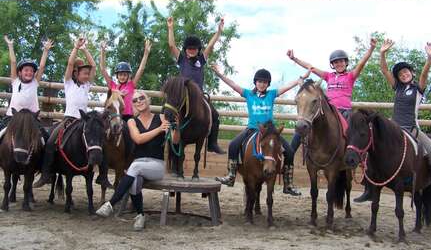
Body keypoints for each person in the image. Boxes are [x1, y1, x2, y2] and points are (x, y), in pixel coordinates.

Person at [212, 65, 310, 195]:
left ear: (268, 84)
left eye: (265, 82)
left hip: (270, 131)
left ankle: (288, 184)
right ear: (255, 82)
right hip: (252, 129)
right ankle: (231, 175)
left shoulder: (271, 94)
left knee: (290, 151)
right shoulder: (248, 94)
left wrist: (301, 78)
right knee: (233, 145)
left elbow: (287, 86)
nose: (262, 84)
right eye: (260, 81)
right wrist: (220, 74)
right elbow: (233, 84)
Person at [34, 37, 111, 189]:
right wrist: (76, 47)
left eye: (88, 73)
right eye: (84, 73)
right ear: (76, 73)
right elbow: (70, 63)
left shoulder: (87, 85)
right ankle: (46, 174)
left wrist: (85, 49)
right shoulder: (68, 83)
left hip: (84, 119)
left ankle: (103, 176)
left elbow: (94, 65)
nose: (87, 75)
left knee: (101, 142)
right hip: (68, 120)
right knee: (50, 143)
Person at [286, 39, 377, 168]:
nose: (339, 64)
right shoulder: (328, 76)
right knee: (304, 126)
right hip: (329, 110)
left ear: (346, 63)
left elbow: (361, 64)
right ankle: (288, 155)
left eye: (341, 61)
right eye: (336, 62)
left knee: (352, 133)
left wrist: (371, 49)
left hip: (344, 111)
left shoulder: (350, 76)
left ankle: (357, 160)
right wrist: (294, 59)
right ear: (332, 65)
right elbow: (310, 67)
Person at [96, 91, 176, 231]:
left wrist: (177, 126)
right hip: (138, 166)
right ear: (132, 105)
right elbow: (138, 139)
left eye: (141, 98)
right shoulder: (132, 121)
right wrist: (158, 129)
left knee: (135, 167)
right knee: (134, 182)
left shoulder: (162, 117)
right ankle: (140, 215)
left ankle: (110, 204)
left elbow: (175, 140)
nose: (139, 101)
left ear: (148, 99)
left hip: (156, 165)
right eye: (135, 100)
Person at [378, 39, 431, 206]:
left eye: (406, 72)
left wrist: (429, 59)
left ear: (411, 73)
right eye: (400, 74)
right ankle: (368, 187)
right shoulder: (398, 87)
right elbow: (384, 70)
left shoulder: (418, 89)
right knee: (373, 143)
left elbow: (424, 74)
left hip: (412, 129)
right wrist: (382, 53)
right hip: (395, 128)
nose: (403, 74)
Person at [167, 16, 225, 154]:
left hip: (198, 96)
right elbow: (171, 46)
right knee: (168, 110)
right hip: (183, 95)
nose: (191, 50)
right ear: (185, 49)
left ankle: (212, 143)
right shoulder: (181, 59)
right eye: (189, 48)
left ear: (198, 49)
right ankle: (166, 136)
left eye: (194, 49)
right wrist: (170, 28)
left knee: (215, 115)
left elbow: (210, 45)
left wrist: (219, 32)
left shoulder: (201, 59)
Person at [0, 36, 53, 139]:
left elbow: (41, 66)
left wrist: (46, 50)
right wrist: (10, 46)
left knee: (46, 139)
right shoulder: (15, 81)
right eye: (26, 70)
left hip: (32, 118)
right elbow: (13, 62)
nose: (29, 72)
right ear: (20, 72)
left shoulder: (35, 82)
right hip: (13, 117)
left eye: (31, 71)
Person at [100, 38, 152, 122]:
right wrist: (102, 51)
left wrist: (146, 53)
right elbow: (103, 69)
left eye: (125, 75)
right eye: (120, 74)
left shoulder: (131, 85)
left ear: (128, 76)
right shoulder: (112, 86)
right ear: (117, 76)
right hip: (115, 116)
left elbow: (141, 69)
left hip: (129, 117)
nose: (122, 77)